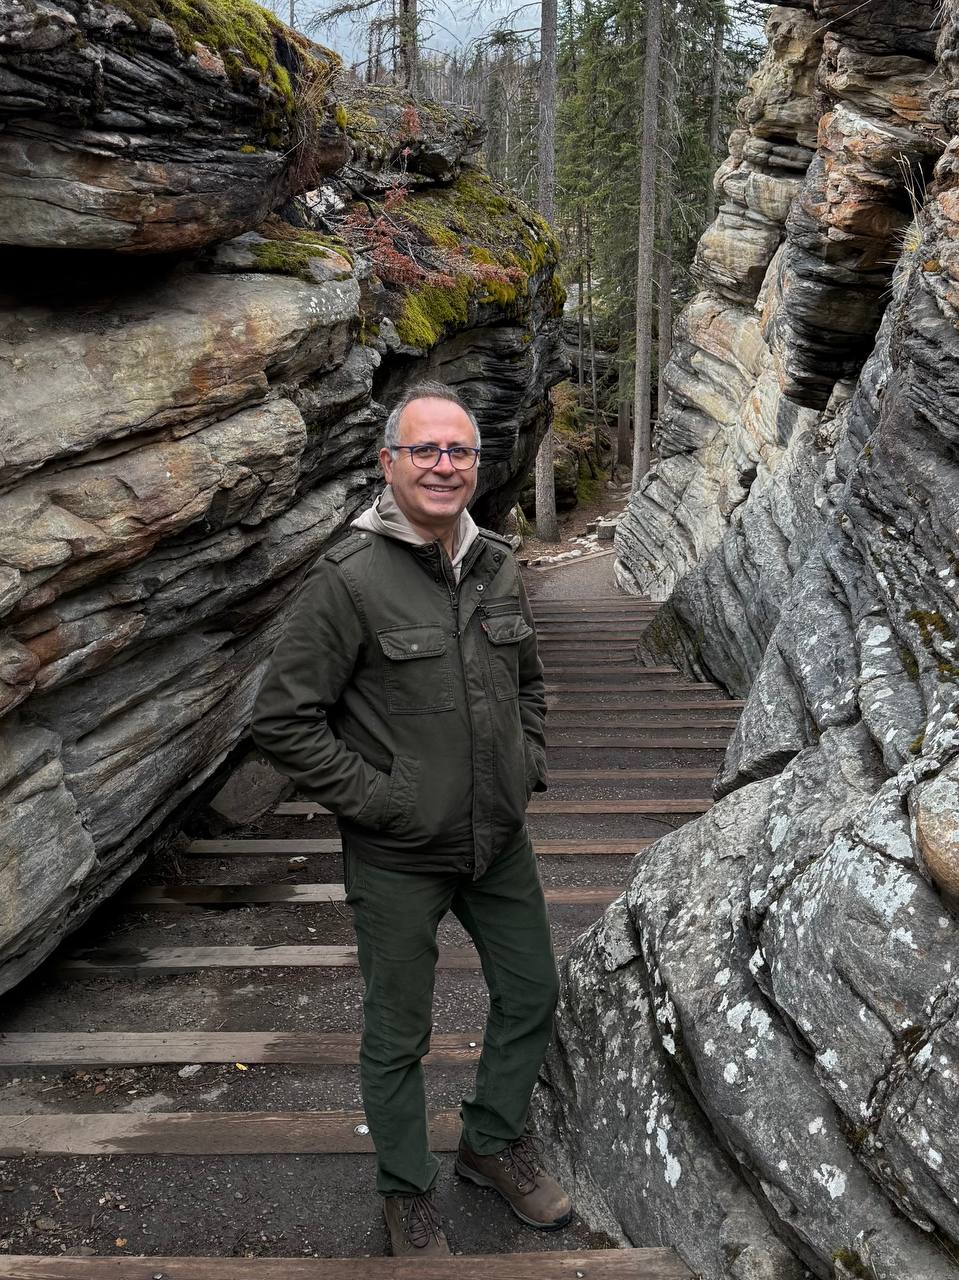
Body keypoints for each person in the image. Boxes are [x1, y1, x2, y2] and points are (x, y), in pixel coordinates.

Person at [251, 380, 572, 1256]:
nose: (443, 464)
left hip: (498, 839)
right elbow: (281, 718)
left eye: (458, 450)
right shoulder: (346, 583)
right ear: (387, 462)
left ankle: (489, 1142)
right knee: (400, 1030)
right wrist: (379, 800)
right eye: (424, 449)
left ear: (477, 463)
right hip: (397, 853)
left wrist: (525, 763)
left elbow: (529, 684)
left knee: (533, 992)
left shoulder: (498, 561)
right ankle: (405, 1187)